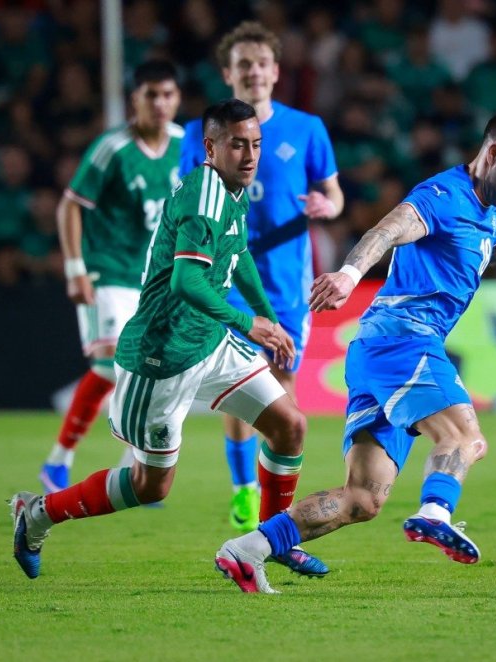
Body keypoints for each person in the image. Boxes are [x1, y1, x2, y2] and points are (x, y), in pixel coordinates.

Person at [214, 109, 496, 594]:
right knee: (466, 439)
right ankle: (434, 513)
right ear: (494, 152)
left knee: (361, 499)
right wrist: (349, 274)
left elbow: (495, 247)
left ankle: (247, 549)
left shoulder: (485, 208)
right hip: (404, 340)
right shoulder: (441, 195)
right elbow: (389, 229)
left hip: (375, 350)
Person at [11, 99, 318, 580]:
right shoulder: (204, 198)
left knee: (290, 426)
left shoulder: (233, 190)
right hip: (161, 356)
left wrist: (268, 316)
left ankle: (269, 540)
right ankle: (37, 514)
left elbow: (239, 253)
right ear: (210, 148)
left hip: (209, 342)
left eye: (256, 144)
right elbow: (186, 281)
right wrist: (248, 323)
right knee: (150, 485)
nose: (250, 155)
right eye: (238, 145)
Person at [179, 22, 344, 545]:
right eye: (243, 64)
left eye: (261, 63)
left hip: (286, 283)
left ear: (276, 71)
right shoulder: (198, 134)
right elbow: (188, 191)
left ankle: (275, 509)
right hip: (225, 277)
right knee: (238, 387)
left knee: (284, 394)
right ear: (228, 74)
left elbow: (335, 195)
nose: (253, 71)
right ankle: (244, 487)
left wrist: (326, 205)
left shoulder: (307, 128)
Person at [38, 60, 183, 494]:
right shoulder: (113, 148)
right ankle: (58, 460)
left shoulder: (186, 145)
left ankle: (136, 473)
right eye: (151, 95)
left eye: (167, 94)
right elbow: (70, 205)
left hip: (157, 279)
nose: (159, 103)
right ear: (135, 99)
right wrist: (75, 268)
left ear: (177, 98)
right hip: (109, 271)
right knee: (108, 366)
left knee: (157, 372)